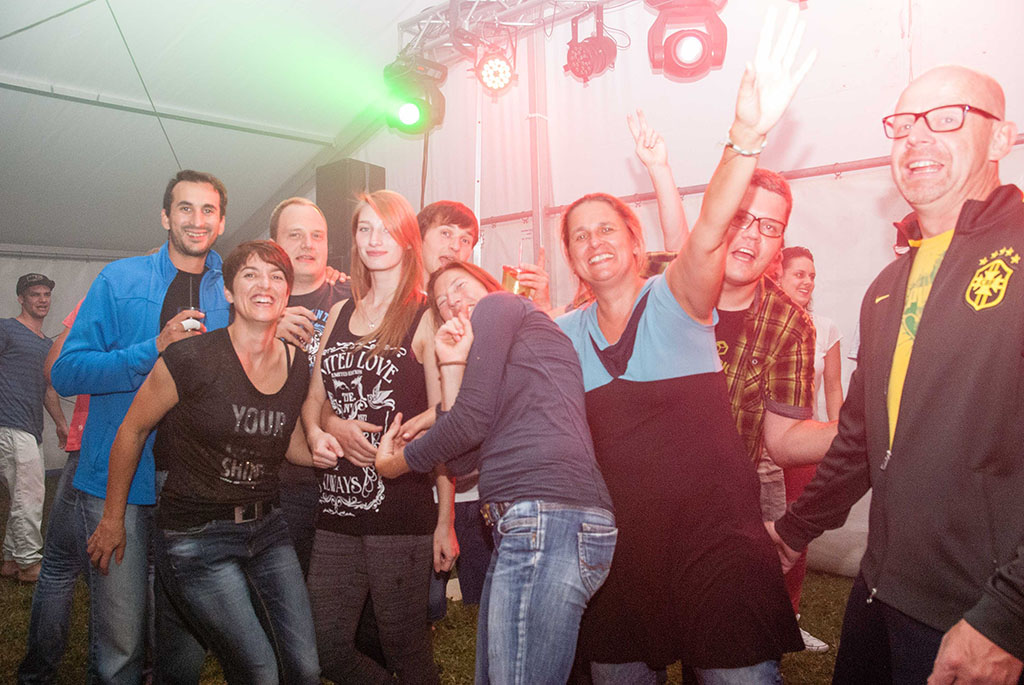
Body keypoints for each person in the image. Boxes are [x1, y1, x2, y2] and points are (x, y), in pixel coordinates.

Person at [556, 9, 813, 682]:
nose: (594, 241)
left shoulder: (673, 301)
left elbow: (708, 231)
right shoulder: (562, 335)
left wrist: (745, 136)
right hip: (620, 556)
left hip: (716, 548)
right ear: (572, 260)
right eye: (579, 235)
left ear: (635, 241)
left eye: (607, 228)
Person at [769, 66, 1024, 685]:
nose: (917, 138)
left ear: (1001, 137)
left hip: (977, 611)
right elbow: (861, 436)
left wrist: (1010, 616)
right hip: (880, 590)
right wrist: (794, 531)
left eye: (947, 118)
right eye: (903, 124)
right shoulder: (888, 286)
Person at [87, 240, 320, 684]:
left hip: (267, 530)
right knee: (259, 670)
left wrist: (334, 453)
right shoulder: (191, 357)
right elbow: (132, 430)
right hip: (197, 536)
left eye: (276, 276)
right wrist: (113, 519)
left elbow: (289, 442)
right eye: (250, 274)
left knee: (306, 668)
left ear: (287, 293)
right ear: (228, 292)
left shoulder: (297, 363)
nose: (265, 285)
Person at [375, 261, 616, 684]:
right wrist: (452, 364)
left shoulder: (501, 304)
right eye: (442, 302)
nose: (453, 301)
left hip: (547, 515)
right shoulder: (500, 355)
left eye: (459, 285)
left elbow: (467, 423)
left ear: (486, 282)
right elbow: (463, 462)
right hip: (532, 522)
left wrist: (393, 465)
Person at [50, 170, 231, 683]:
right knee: (121, 641)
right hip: (120, 485)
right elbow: (66, 371)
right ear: (165, 217)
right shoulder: (120, 279)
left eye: (208, 210)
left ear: (222, 222)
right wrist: (153, 348)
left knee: (183, 637)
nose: (197, 220)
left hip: (194, 488)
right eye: (185, 208)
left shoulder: (234, 289)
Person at [302, 189, 451, 684]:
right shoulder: (339, 313)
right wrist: (324, 428)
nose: (374, 239)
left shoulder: (425, 314)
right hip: (336, 509)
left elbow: (447, 418)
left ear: (408, 240)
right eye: (364, 229)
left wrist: (445, 520)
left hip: (400, 509)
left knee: (405, 648)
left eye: (386, 229)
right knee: (325, 647)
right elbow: (314, 399)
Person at [270, 196, 352, 578]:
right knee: (290, 590)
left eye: (317, 235)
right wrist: (266, 331)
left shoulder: (354, 297)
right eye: (295, 235)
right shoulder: (256, 303)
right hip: (283, 483)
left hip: (347, 474)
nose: (308, 244)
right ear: (275, 244)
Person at [18, 300, 92, 682]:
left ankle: (37, 676)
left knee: (61, 568)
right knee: (129, 574)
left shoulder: (100, 293)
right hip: (141, 451)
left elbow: (54, 367)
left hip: (90, 448)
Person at [776, 245, 842, 652]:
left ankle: (790, 619)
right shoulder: (762, 324)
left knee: (796, 534)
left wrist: (839, 440)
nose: (807, 281)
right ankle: (750, 613)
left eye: (812, 275)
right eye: (799, 274)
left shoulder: (825, 327)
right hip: (762, 448)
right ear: (778, 277)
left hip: (804, 445)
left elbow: (833, 388)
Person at [1, 273, 68, 584]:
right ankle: (29, 562)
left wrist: (61, 424)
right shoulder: (6, 329)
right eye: (34, 294)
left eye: (46, 294)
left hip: (30, 426)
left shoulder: (46, 344)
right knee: (30, 495)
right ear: (21, 299)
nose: (42, 300)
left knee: (23, 493)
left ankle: (11, 559)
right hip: (9, 423)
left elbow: (48, 390)